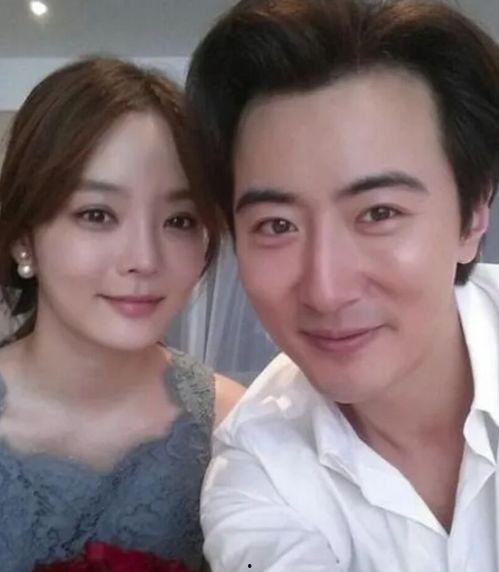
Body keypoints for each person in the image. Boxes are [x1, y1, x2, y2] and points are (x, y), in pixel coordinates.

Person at [185, 0, 499, 570]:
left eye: (379, 213)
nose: (325, 291)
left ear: (473, 215)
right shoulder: (257, 467)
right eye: (277, 225)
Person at [0, 56, 244, 572]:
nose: (144, 259)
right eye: (97, 214)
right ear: (24, 238)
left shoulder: (235, 423)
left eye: (179, 220)